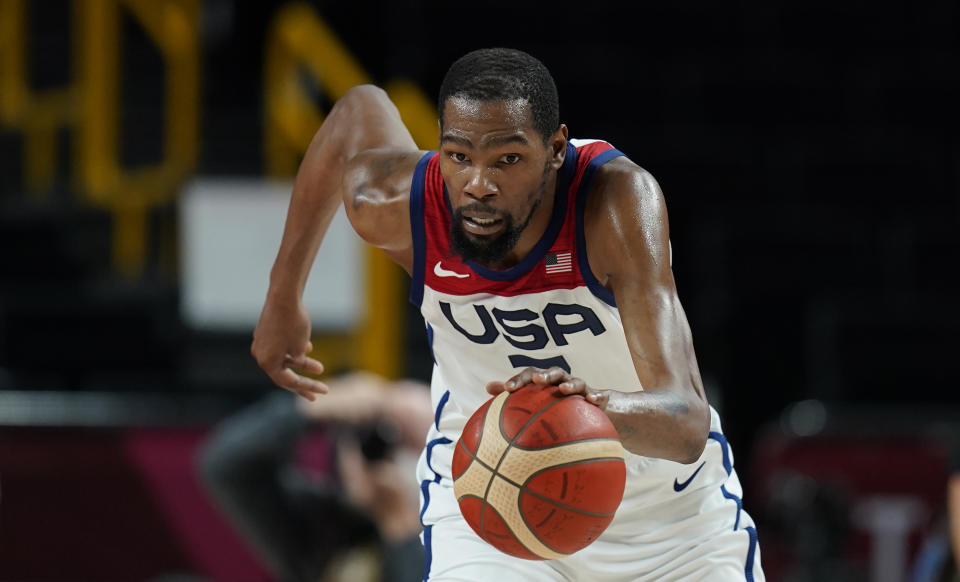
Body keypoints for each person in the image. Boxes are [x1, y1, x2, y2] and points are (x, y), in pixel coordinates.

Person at [251, 47, 765, 581]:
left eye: (507, 160)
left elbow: (685, 424)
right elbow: (356, 110)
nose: (478, 184)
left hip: (666, 522)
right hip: (493, 493)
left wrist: (580, 410)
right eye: (459, 156)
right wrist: (282, 297)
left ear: (556, 150)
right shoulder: (399, 205)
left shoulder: (613, 205)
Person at [198, 371, 431, 582]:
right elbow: (226, 469)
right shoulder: (326, 528)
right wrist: (309, 407)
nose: (385, 454)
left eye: (407, 438)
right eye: (370, 438)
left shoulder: (461, 525)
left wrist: (403, 531)